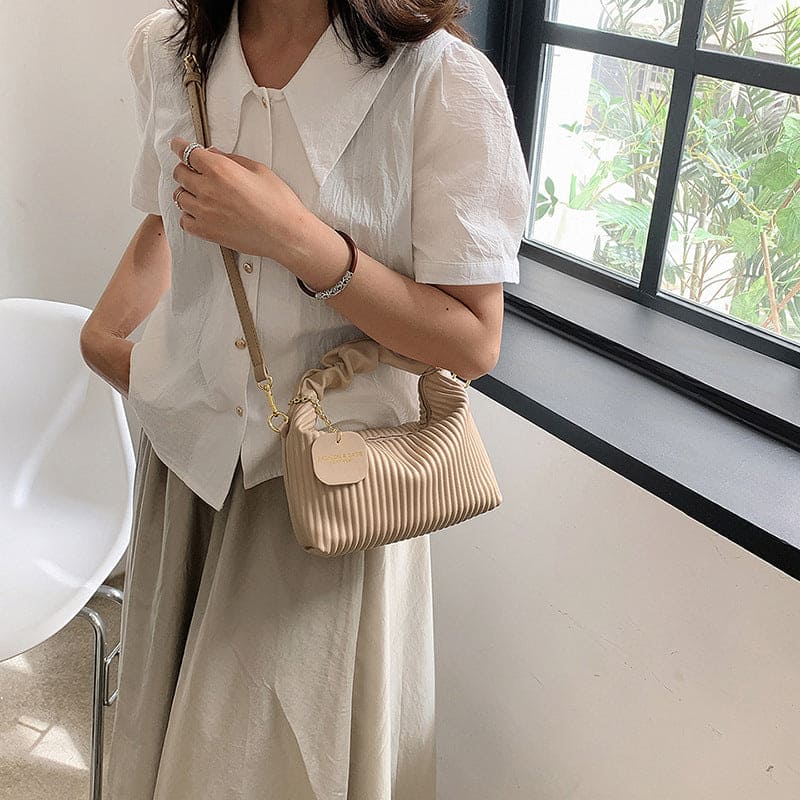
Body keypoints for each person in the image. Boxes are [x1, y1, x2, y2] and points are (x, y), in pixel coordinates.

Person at [79, 0, 530, 797]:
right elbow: (167, 214)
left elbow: (471, 341)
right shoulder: (168, 47)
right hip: (184, 473)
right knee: (164, 748)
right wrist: (105, 335)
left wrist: (296, 237)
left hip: (328, 498)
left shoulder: (442, 84)